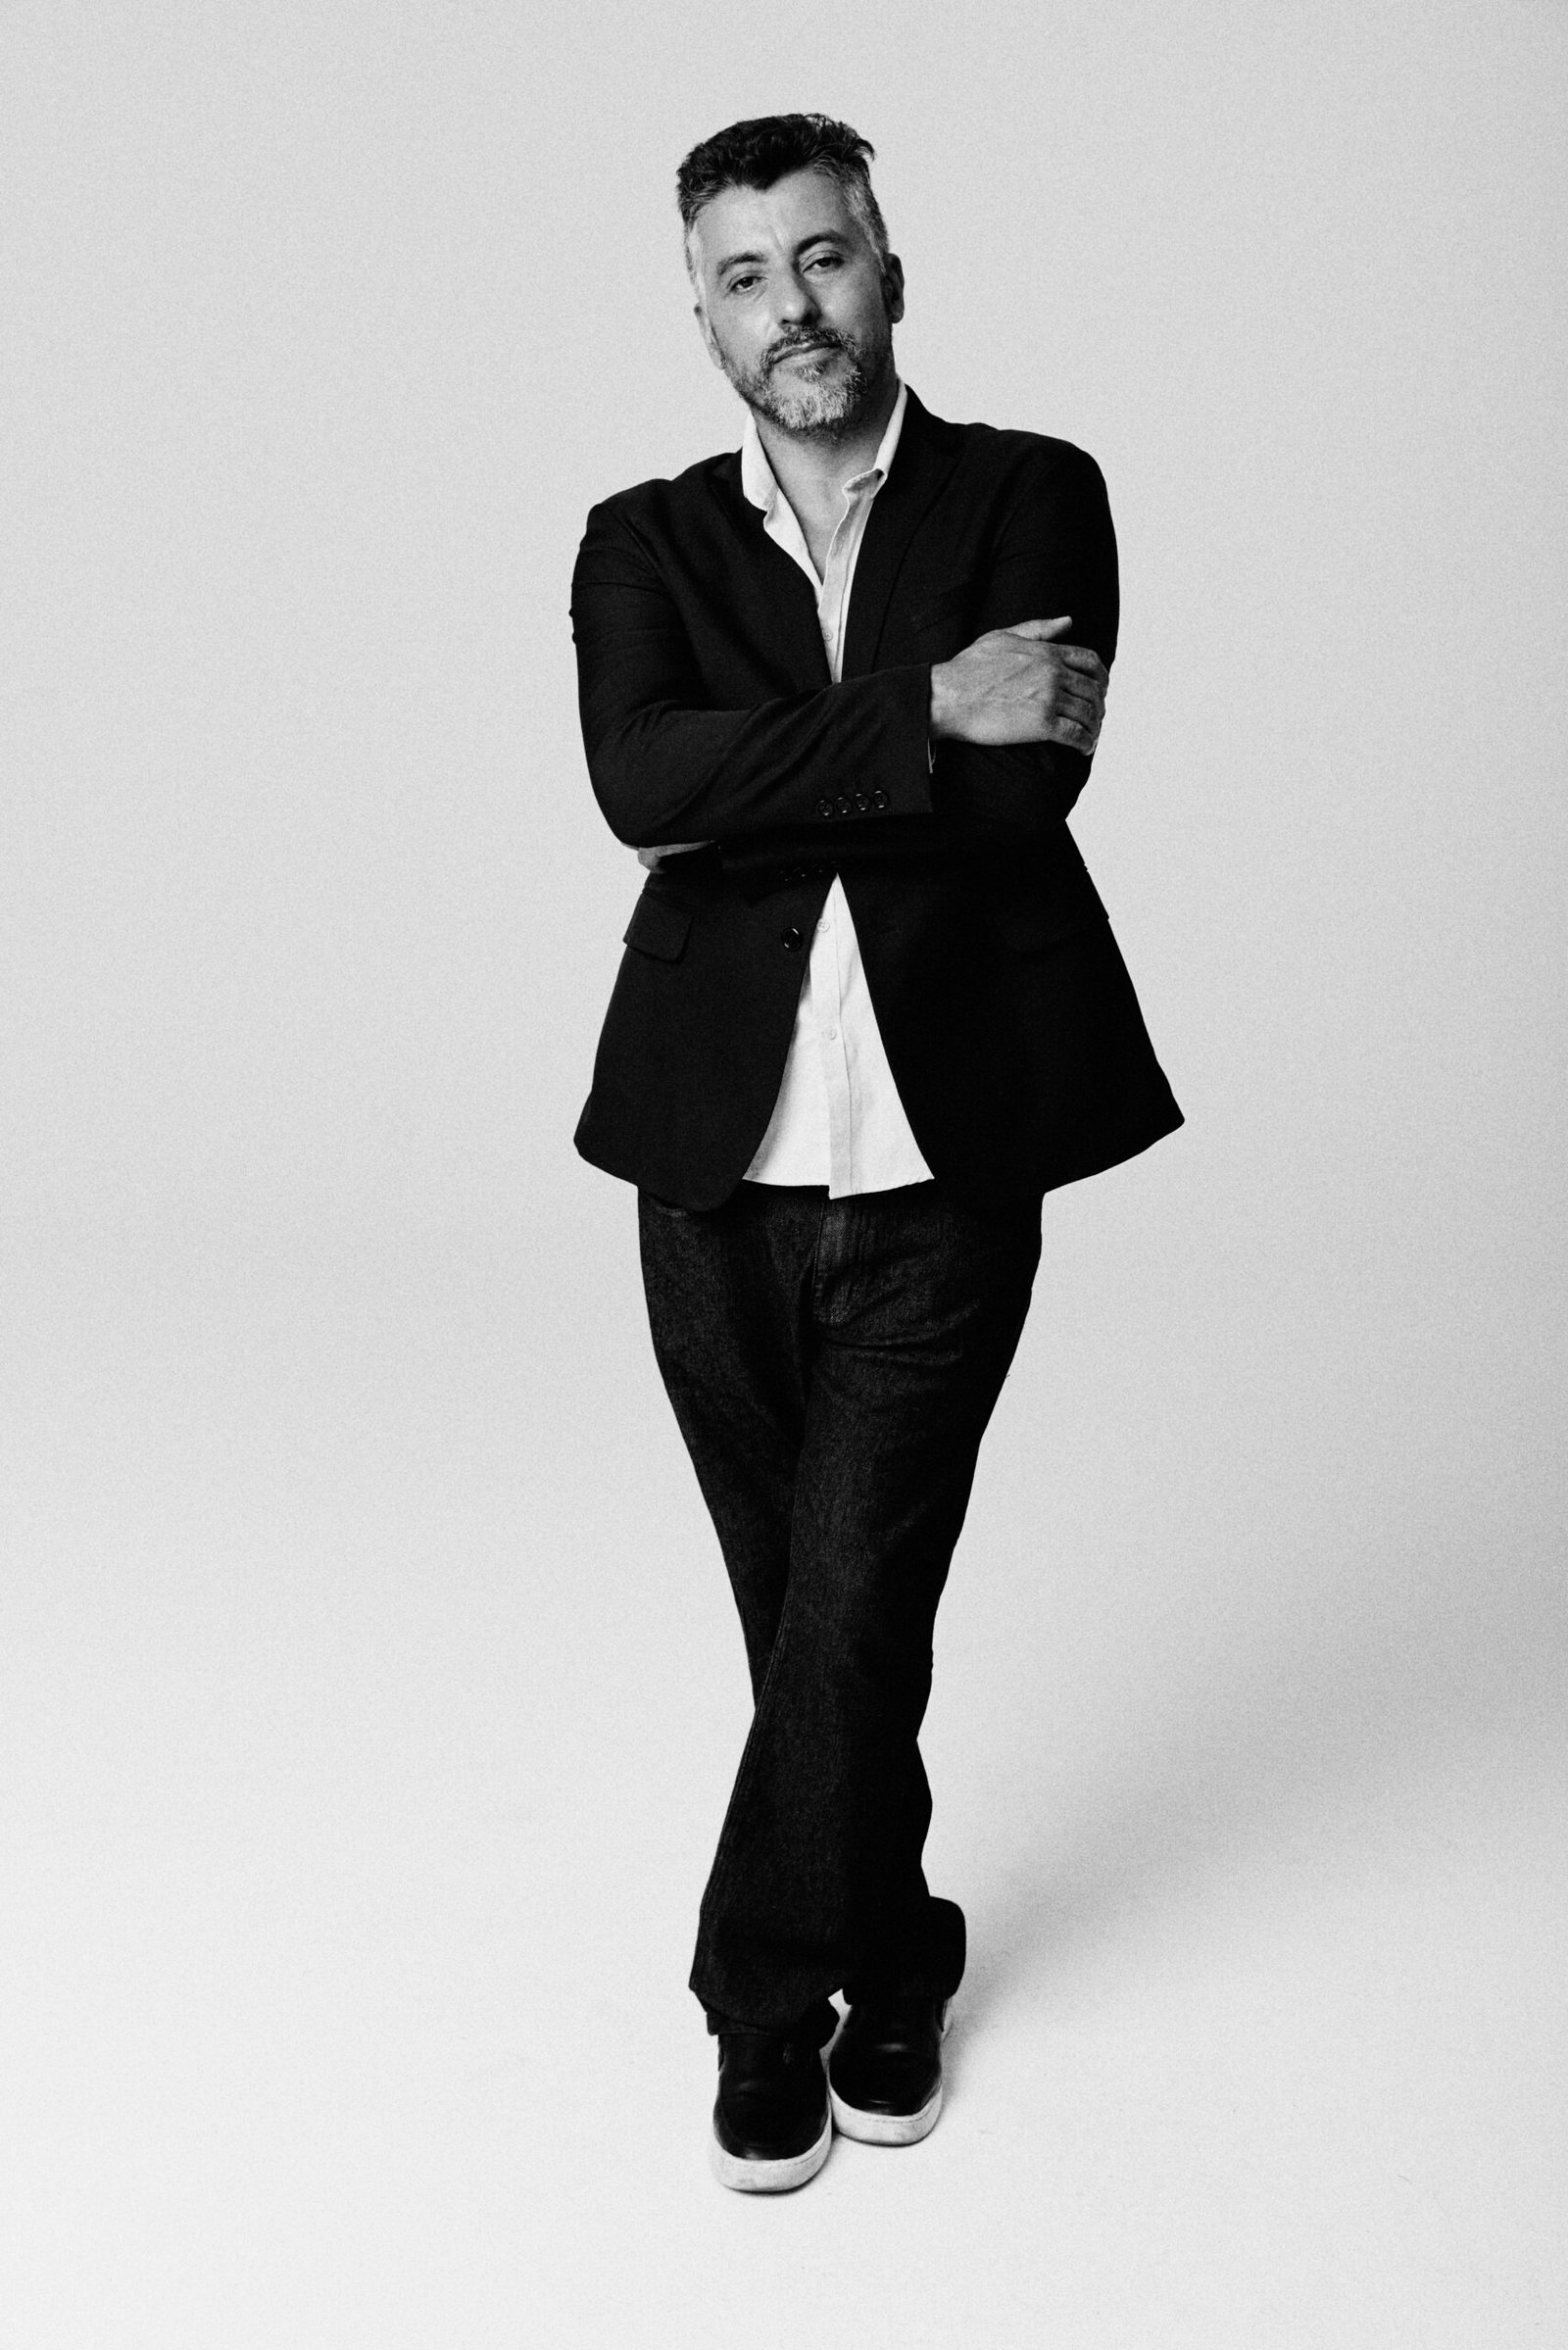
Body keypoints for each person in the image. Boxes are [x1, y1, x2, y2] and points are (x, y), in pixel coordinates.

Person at [569, 113, 1182, 2192]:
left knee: (851, 1594)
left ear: (888, 271)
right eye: (743, 277)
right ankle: (895, 1950)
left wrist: (757, 785)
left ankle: (757, 1997)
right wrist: (923, 710)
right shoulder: (641, 542)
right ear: (703, 318)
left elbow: (1024, 798)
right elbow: (638, 778)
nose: (792, 306)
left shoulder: (1030, 492)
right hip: (709, 1165)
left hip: (949, 1146)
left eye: (821, 258)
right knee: (805, 1616)